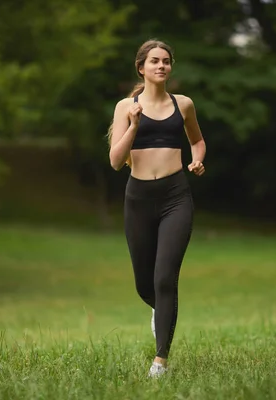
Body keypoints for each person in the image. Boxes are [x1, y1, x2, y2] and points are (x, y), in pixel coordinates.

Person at [107, 39, 206, 378]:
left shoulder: (184, 104)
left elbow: (197, 140)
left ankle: (160, 362)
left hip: (175, 197)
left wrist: (197, 160)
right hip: (138, 200)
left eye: (166, 61)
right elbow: (116, 161)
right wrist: (134, 125)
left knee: (165, 279)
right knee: (144, 284)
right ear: (141, 67)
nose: (161, 66)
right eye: (154, 61)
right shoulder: (125, 107)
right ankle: (160, 313)